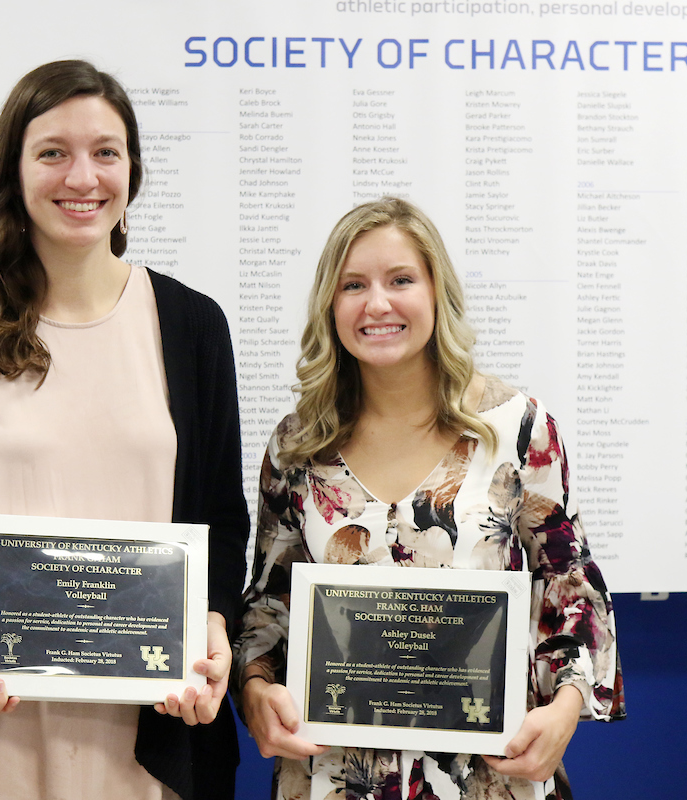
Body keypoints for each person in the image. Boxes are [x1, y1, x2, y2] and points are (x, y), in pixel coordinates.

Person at [0, 60, 248, 800]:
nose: (82, 175)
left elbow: (222, 524)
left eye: (105, 152)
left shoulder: (193, 326)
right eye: (53, 152)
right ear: (14, 170)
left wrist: (216, 624)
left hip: (148, 748)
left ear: (132, 172)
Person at [233, 198, 624, 800]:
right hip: (338, 776)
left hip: (486, 774)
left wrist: (568, 705)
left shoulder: (516, 428)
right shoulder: (297, 447)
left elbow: (568, 580)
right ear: (329, 305)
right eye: (353, 285)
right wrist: (256, 689)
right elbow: (269, 603)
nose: (378, 303)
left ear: (437, 292)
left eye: (401, 280)